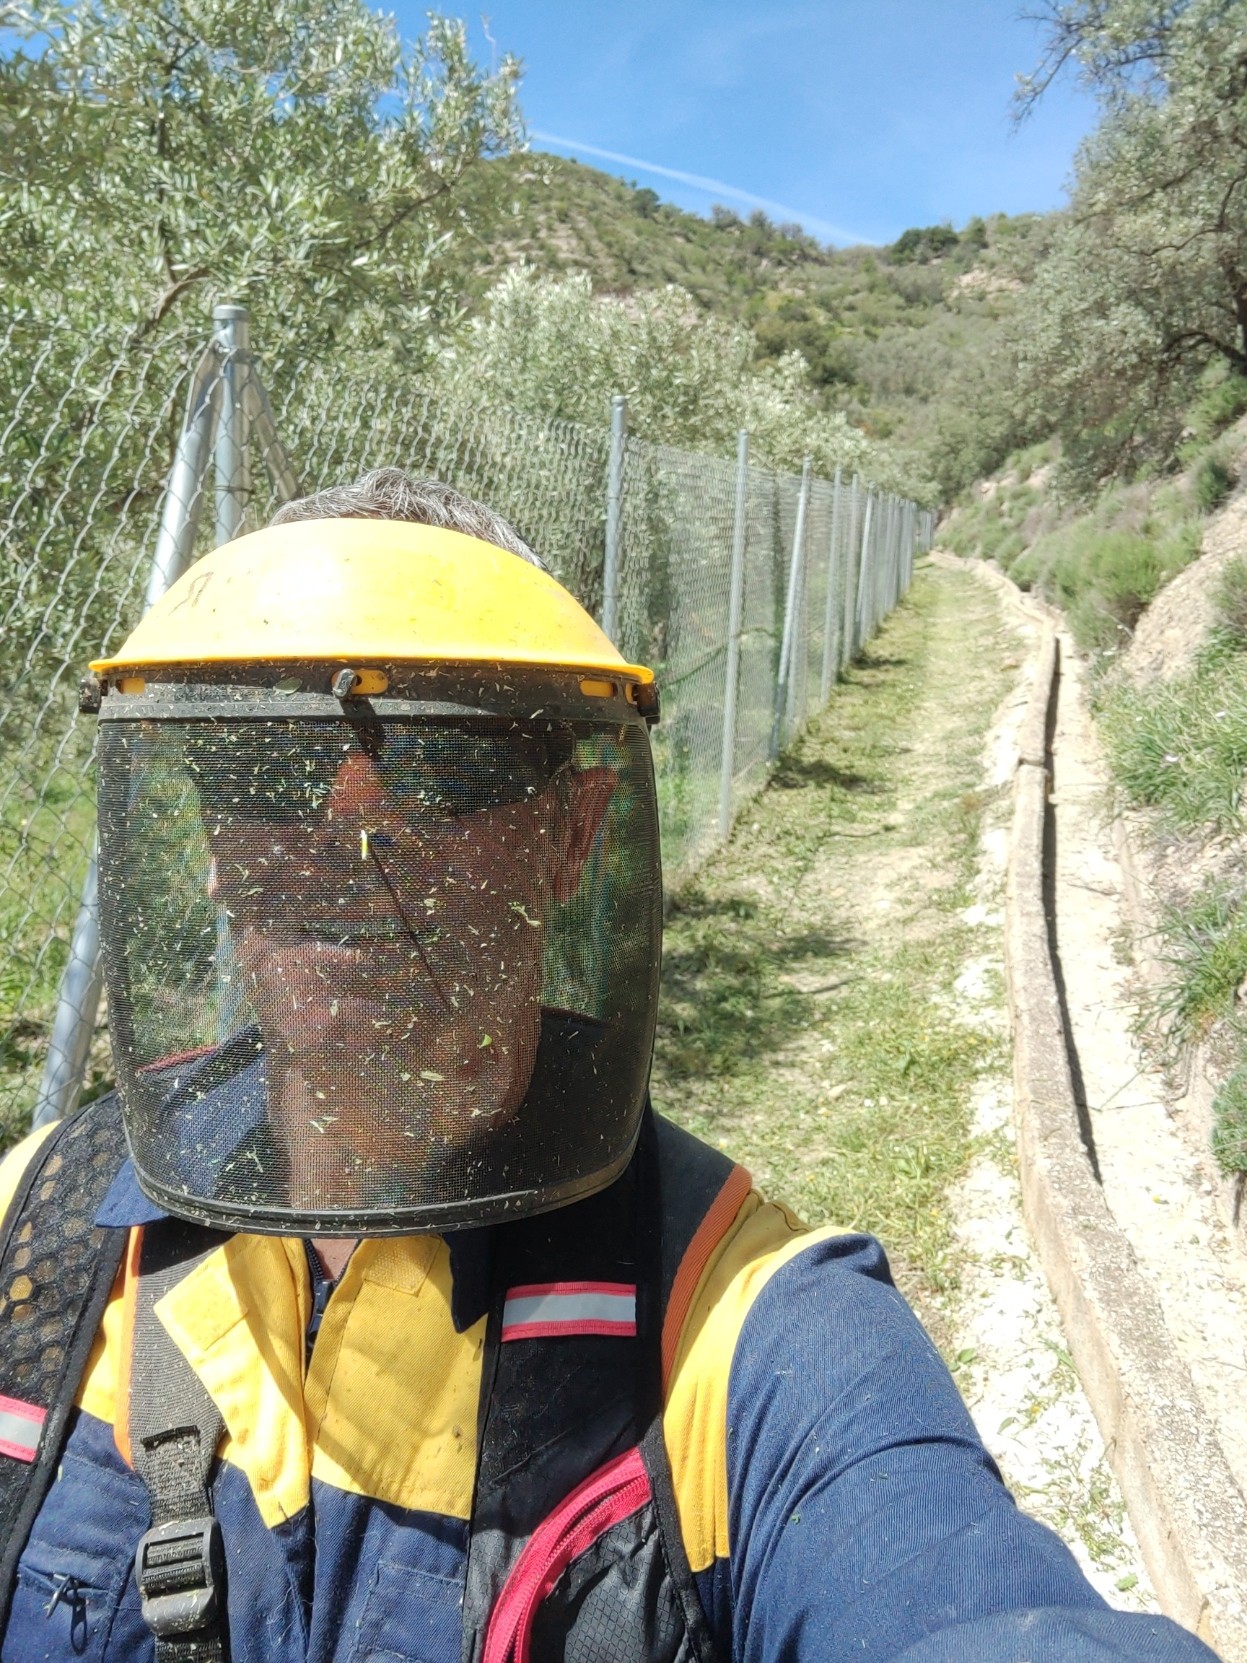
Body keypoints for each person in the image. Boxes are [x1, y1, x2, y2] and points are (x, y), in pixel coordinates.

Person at [0, 470, 1220, 1663]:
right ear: (209, 840)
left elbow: (958, 1597)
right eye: (271, 767)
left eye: (441, 763)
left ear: (573, 833)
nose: (352, 839)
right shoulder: (33, 1239)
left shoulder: (749, 1331)